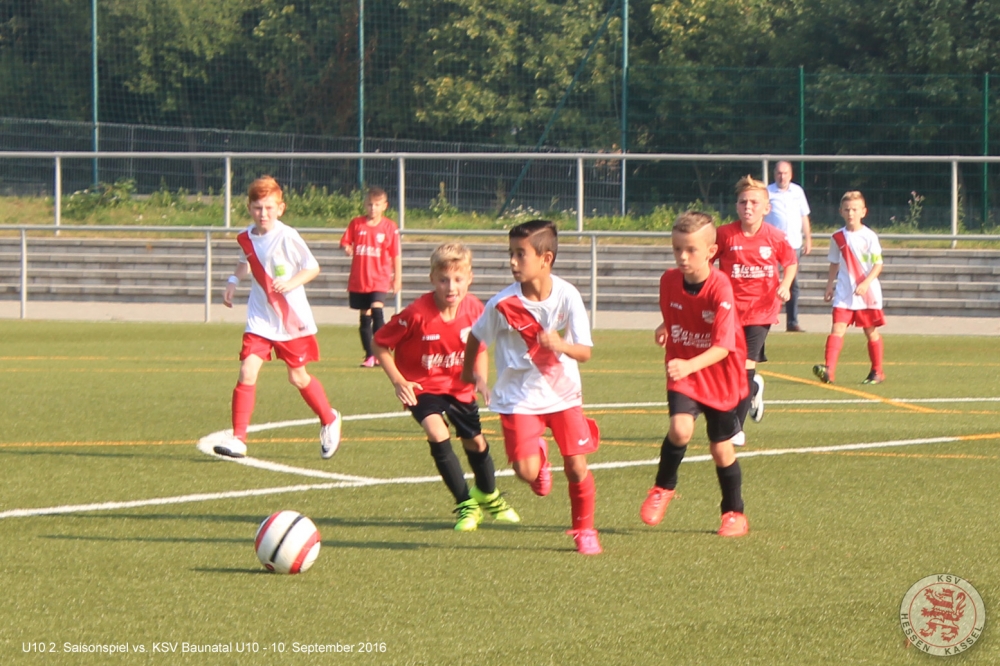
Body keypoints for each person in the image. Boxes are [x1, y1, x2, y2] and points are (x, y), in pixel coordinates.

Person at [461, 219, 602, 555]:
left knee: (576, 466)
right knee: (526, 472)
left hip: (563, 394)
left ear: (545, 258)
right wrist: (470, 376)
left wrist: (560, 344)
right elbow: (476, 338)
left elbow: (585, 353)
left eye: (520, 254)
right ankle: (538, 457)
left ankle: (584, 530)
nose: (512, 261)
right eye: (510, 253)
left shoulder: (568, 295)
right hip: (519, 399)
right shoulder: (501, 304)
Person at [372, 242, 521, 531]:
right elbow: (379, 343)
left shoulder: (475, 309)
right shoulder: (416, 313)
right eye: (443, 280)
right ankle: (466, 505)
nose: (451, 287)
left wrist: (480, 379)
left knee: (475, 442)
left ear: (469, 279)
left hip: (459, 387)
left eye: (457, 279)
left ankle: (488, 495)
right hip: (422, 386)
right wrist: (398, 380)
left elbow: (479, 347)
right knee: (437, 431)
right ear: (432, 279)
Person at [640, 211, 750, 537]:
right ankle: (662, 488)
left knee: (721, 449)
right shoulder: (668, 281)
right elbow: (674, 310)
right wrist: (665, 326)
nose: (682, 257)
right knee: (680, 429)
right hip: (684, 368)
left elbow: (723, 347)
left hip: (720, 375)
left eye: (690, 250)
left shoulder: (720, 287)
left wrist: (689, 365)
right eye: (677, 249)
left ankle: (734, 513)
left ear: (711, 251)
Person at [218, 175, 341, 460]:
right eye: (258, 208)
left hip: (290, 319)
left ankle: (329, 418)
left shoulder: (288, 236)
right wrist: (233, 281)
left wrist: (291, 282)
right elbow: (245, 262)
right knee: (247, 371)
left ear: (280, 208)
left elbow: (312, 267)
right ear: (249, 208)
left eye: (269, 208)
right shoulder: (245, 237)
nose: (263, 213)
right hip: (260, 318)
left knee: (297, 377)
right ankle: (238, 439)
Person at [713, 175, 798, 434]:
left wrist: (785, 284)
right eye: (743, 202)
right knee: (727, 367)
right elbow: (707, 261)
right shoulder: (725, 234)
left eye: (754, 202)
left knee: (745, 365)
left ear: (766, 208)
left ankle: (735, 429)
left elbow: (790, 262)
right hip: (729, 311)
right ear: (736, 206)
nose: (748, 207)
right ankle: (753, 389)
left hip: (762, 311)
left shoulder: (775, 236)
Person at [813, 191, 886, 385]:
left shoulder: (869, 237)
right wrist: (829, 285)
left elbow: (878, 265)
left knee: (870, 331)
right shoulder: (837, 237)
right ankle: (829, 370)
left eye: (854, 209)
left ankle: (877, 371)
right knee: (837, 328)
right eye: (847, 210)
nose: (851, 213)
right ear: (841, 212)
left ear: (863, 212)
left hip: (866, 293)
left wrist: (866, 283)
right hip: (845, 292)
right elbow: (834, 262)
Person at [340, 186, 402, 368]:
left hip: (380, 278)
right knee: (365, 316)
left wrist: (397, 278)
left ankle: (381, 352)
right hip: (360, 279)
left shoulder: (389, 227)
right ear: (364, 205)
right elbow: (345, 241)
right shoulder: (356, 224)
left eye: (376, 205)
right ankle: (369, 355)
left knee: (377, 310)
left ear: (384, 206)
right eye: (369, 204)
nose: (372, 208)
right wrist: (347, 248)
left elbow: (396, 254)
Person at [764, 161, 813, 332]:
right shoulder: (767, 192)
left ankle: (792, 322)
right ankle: (764, 320)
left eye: (785, 173)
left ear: (790, 175)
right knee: (768, 282)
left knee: (793, 283)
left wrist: (808, 238)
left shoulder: (797, 191)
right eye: (779, 173)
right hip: (771, 244)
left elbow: (804, 216)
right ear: (774, 174)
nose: (782, 176)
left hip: (793, 245)